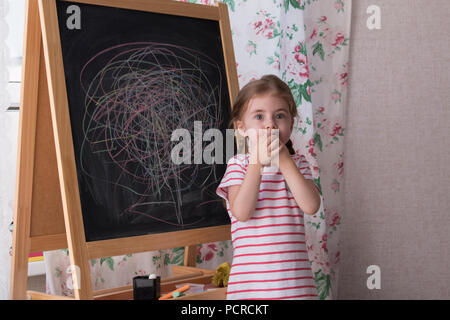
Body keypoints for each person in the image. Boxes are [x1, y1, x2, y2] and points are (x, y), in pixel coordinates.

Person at [216, 74, 321, 300]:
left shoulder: (298, 164)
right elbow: (242, 212)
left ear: (290, 124)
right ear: (242, 127)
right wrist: (256, 163)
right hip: (250, 288)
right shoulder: (238, 165)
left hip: (295, 287)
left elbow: (311, 206)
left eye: (280, 116)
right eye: (259, 116)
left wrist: (283, 159)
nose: (270, 124)